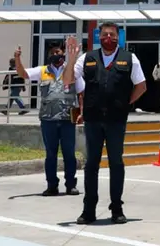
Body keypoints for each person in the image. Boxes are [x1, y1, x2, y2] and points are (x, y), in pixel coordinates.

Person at [64, 23, 147, 225]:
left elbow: (141, 86)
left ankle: (116, 208)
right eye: (104, 34)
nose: (108, 38)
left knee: (116, 163)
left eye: (112, 34)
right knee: (91, 164)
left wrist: (125, 103)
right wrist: (72, 58)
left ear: (119, 37)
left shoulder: (130, 58)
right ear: (98, 37)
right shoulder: (87, 58)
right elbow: (67, 80)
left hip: (116, 120)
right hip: (93, 119)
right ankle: (88, 210)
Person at [13, 42, 84, 196]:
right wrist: (17, 59)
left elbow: (81, 93)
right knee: (51, 154)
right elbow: (23, 74)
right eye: (52, 53)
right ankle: (52, 185)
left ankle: (70, 185)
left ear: (63, 53)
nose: (55, 55)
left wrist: (82, 112)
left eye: (57, 52)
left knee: (69, 154)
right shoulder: (42, 71)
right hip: (48, 119)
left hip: (67, 119)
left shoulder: (72, 70)